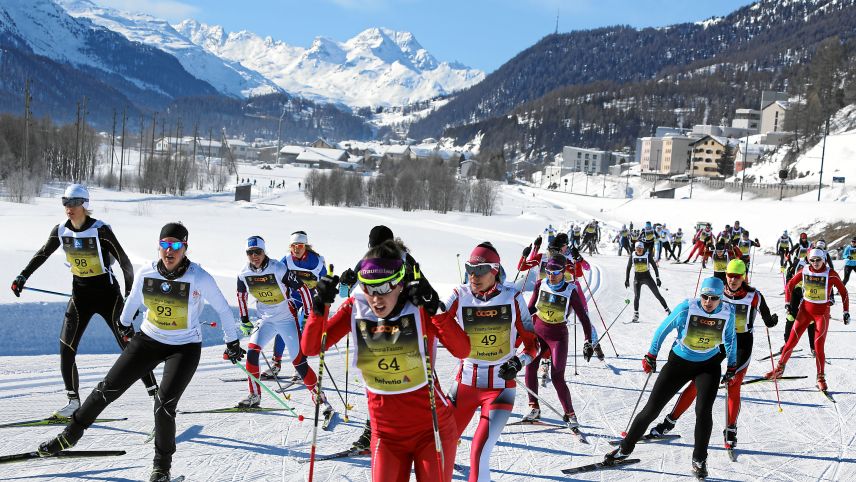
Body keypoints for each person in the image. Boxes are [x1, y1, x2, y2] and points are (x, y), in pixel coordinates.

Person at [37, 222, 243, 482]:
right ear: (159, 247)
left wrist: (232, 342)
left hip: (184, 347)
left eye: (176, 245)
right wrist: (123, 324)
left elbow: (224, 309)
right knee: (106, 389)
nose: (170, 251)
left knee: (164, 405)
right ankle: (70, 435)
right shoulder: (147, 272)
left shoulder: (198, 276)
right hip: (148, 340)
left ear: (185, 248)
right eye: (165, 245)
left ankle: (161, 468)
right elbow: (132, 302)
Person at [302, 240, 469, 482]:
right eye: (368, 288)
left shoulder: (419, 307)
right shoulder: (355, 308)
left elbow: (462, 350)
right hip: (385, 435)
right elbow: (311, 348)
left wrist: (435, 308)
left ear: (400, 283)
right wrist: (319, 308)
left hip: (431, 431)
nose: (376, 298)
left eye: (384, 288)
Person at [11, 184, 158, 417]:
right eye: (65, 202)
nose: (69, 208)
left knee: (130, 348)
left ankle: (155, 395)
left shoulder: (100, 230)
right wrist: (22, 276)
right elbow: (42, 253)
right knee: (66, 347)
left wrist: (130, 296)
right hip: (80, 296)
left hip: (108, 296)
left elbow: (125, 263)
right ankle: (73, 402)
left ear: (85, 205)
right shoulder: (61, 230)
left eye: (74, 203)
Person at [605, 277, 736, 480]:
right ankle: (625, 449)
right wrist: (651, 354)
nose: (708, 302)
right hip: (679, 363)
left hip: (708, 366)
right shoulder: (687, 308)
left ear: (721, 298)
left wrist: (732, 366)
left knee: (703, 412)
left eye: (714, 298)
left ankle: (699, 459)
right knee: (652, 408)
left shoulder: (728, 312)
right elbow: (663, 329)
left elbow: (729, 339)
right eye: (705, 296)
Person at [649, 260, 776, 448]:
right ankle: (670, 421)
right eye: (730, 275)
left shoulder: (754, 296)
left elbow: (767, 318)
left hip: (741, 344)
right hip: (718, 342)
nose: (733, 280)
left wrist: (772, 320)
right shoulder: (716, 293)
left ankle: (731, 429)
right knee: (696, 384)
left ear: (744, 277)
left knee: (734, 384)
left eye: (737, 276)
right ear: (726, 276)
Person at [339, 225, 442, 452]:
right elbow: (353, 288)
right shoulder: (371, 261)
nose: (377, 251)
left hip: (410, 328)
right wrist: (345, 282)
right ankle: (373, 430)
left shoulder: (405, 260)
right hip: (380, 328)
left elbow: (426, 290)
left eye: (380, 246)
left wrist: (426, 302)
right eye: (373, 247)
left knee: (422, 376)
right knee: (379, 381)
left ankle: (435, 428)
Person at [442, 242, 537, 482]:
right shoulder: (459, 295)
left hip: (499, 388)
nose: (473, 276)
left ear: (494, 270)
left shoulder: (512, 297)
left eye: (481, 270)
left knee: (478, 453)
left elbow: (533, 345)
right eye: (469, 269)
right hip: (464, 384)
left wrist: (519, 362)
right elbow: (432, 320)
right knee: (441, 446)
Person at [235, 236, 327, 412]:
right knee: (252, 353)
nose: (254, 256)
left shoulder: (277, 268)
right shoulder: (243, 273)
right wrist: (245, 319)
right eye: (250, 253)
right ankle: (254, 395)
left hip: (286, 319)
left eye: (258, 252)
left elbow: (302, 289)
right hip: (266, 320)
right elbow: (241, 295)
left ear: (264, 252)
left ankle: (318, 395)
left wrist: (308, 315)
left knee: (299, 362)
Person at [523, 254, 594, 425]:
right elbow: (531, 308)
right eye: (548, 271)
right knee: (530, 367)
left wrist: (588, 341)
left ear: (563, 272)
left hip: (558, 337)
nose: (551, 275)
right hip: (539, 332)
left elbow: (584, 318)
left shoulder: (570, 291)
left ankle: (570, 414)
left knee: (557, 376)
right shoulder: (541, 284)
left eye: (555, 272)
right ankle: (534, 407)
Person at [767, 249, 849, 391]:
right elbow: (790, 285)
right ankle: (779, 369)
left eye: (818, 260)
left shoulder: (831, 274)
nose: (815, 263)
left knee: (818, 348)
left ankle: (820, 377)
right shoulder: (805, 270)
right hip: (804, 312)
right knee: (790, 342)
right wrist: (787, 301)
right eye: (812, 260)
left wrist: (846, 311)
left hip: (821, 315)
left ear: (824, 259)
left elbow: (844, 292)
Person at [263, 231, 326, 379]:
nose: (296, 249)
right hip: (293, 299)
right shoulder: (286, 260)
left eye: (300, 245)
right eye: (293, 246)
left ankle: (300, 366)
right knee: (282, 326)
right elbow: (275, 274)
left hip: (310, 300)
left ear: (305, 246)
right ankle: (276, 364)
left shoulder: (316, 261)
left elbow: (324, 281)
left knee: (301, 329)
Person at [625, 241, 670, 323]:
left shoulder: (647, 255)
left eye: (641, 249)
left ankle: (668, 311)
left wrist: (657, 278)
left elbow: (654, 267)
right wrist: (627, 279)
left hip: (647, 277)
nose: (639, 250)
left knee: (657, 295)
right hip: (637, 279)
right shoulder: (632, 255)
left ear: (643, 249)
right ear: (635, 249)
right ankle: (636, 315)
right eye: (637, 249)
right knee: (636, 296)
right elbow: (628, 268)